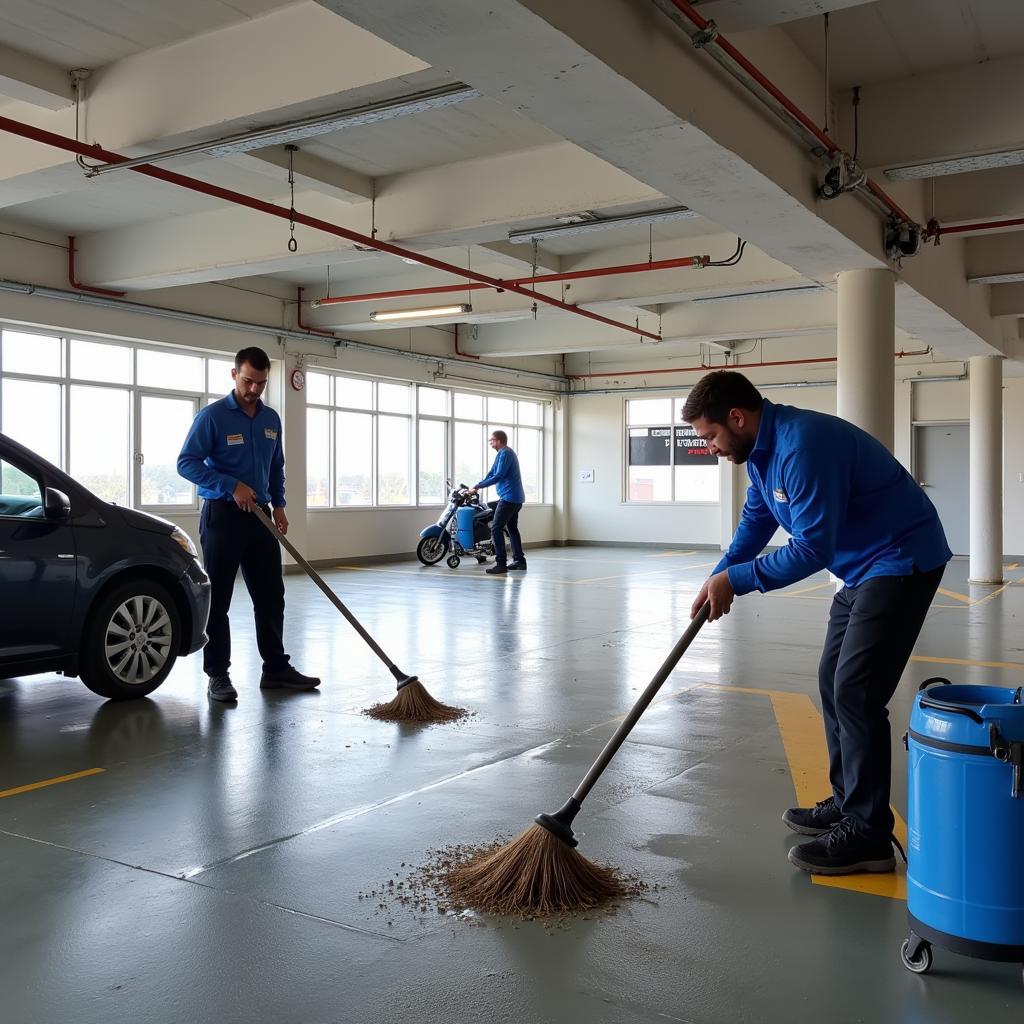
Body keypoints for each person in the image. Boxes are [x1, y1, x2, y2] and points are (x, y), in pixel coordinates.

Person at [683, 370, 950, 876]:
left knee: (856, 690)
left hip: (900, 560)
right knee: (833, 679)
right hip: (862, 567)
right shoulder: (760, 454)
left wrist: (738, 582)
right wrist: (718, 575)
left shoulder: (803, 445)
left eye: (710, 436)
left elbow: (811, 549)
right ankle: (848, 798)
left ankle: (868, 835)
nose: (711, 447)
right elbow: (756, 523)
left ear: (737, 418)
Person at [177, 346, 320, 702]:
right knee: (220, 599)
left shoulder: (271, 419)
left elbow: (276, 467)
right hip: (223, 517)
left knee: (272, 595)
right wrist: (230, 485)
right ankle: (218, 675)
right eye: (247, 381)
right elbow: (186, 463)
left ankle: (275, 669)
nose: (253, 389)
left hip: (261, 517)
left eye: (260, 383)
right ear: (234, 375)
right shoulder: (212, 418)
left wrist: (280, 504)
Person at [467, 430, 526, 575]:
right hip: (512, 498)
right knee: (511, 528)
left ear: (499, 441)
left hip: (509, 498)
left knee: (496, 528)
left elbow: (499, 475)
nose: (490, 443)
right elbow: (492, 473)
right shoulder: (501, 454)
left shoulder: (505, 453)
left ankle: (501, 563)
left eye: (492, 440)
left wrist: (478, 487)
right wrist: (477, 485)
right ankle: (519, 561)